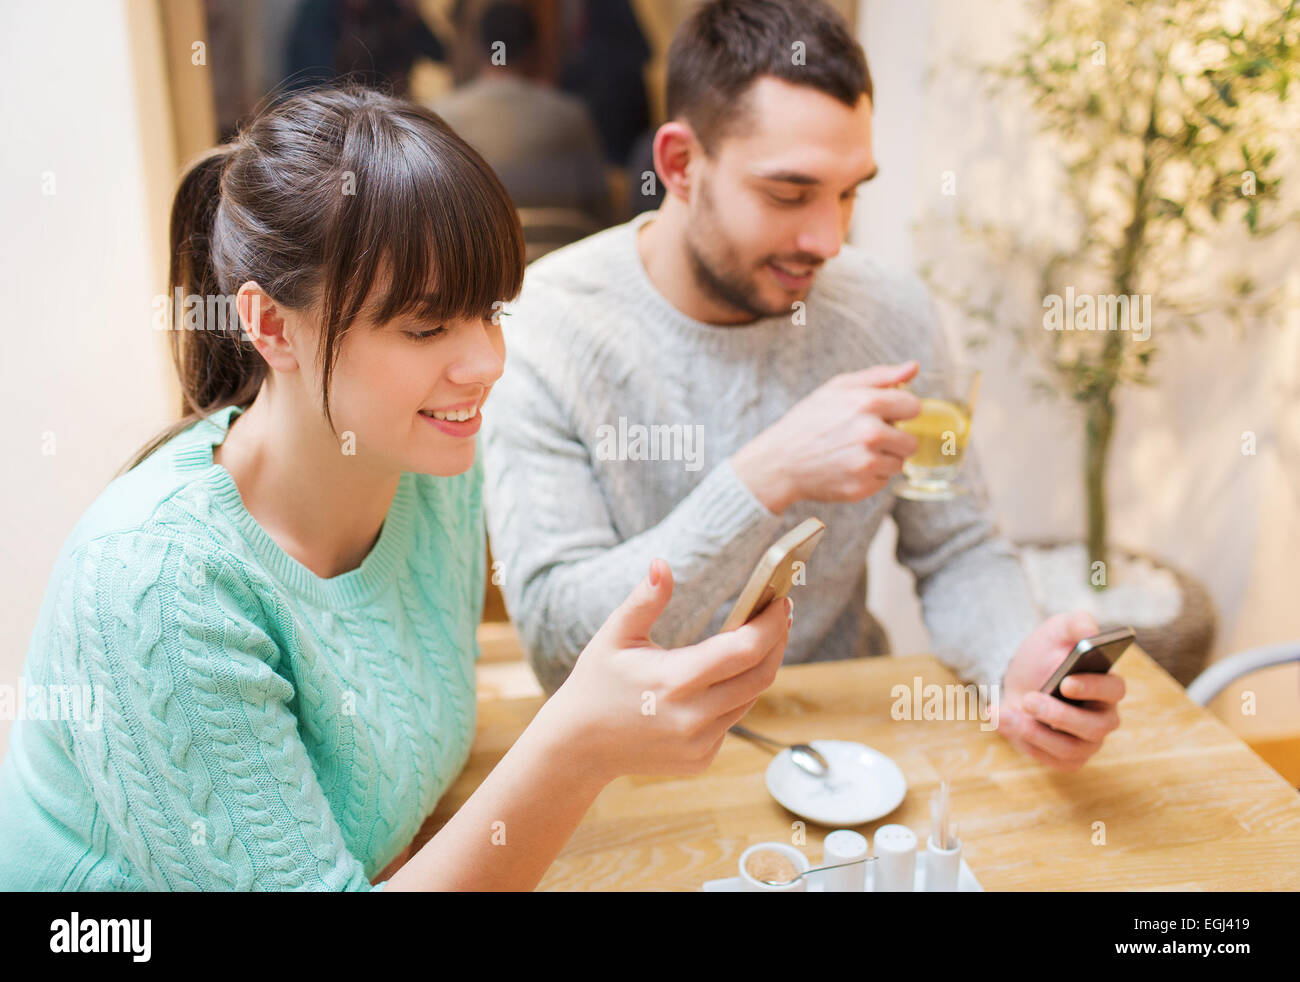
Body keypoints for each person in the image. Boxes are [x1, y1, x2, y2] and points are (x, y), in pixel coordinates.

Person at [0, 86, 790, 891]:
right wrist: (576, 748)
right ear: (273, 328)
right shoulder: (160, 589)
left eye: (489, 312)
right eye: (424, 327)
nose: (486, 363)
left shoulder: (429, 460)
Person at [481, 0, 1125, 772]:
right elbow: (560, 647)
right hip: (627, 756)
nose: (829, 239)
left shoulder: (892, 313)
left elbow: (954, 547)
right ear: (681, 165)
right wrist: (766, 476)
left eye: (851, 192)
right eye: (790, 193)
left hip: (844, 746)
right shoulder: (546, 329)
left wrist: (1013, 659)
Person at [433, 1, 610, 223]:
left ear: (479, 46)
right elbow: (600, 207)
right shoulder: (571, 115)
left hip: (484, 254)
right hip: (563, 248)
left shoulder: (442, 116)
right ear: (533, 49)